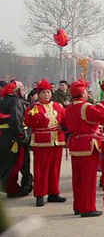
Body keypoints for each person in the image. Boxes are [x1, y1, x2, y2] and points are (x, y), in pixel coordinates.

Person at [65, 80, 104, 217]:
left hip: (75, 144)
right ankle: (87, 207)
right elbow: (102, 115)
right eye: (86, 91)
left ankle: (78, 206)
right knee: (88, 178)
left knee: (77, 178)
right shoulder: (86, 107)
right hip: (88, 144)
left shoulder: (69, 107)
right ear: (82, 93)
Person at [24, 79, 67, 207]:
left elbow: (65, 122)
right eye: (43, 93)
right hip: (42, 142)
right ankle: (40, 194)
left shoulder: (58, 106)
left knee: (55, 169)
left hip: (57, 141)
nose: (46, 95)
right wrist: (32, 116)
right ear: (38, 94)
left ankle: (53, 193)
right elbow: (28, 123)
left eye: (48, 92)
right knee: (41, 169)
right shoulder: (34, 107)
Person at [0, 81, 33, 198]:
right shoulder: (15, 101)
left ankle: (12, 187)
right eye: (22, 88)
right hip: (15, 137)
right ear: (16, 91)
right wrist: (21, 137)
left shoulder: (3, 101)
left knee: (7, 162)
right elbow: (16, 120)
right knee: (19, 163)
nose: (24, 91)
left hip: (4, 136)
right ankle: (18, 187)